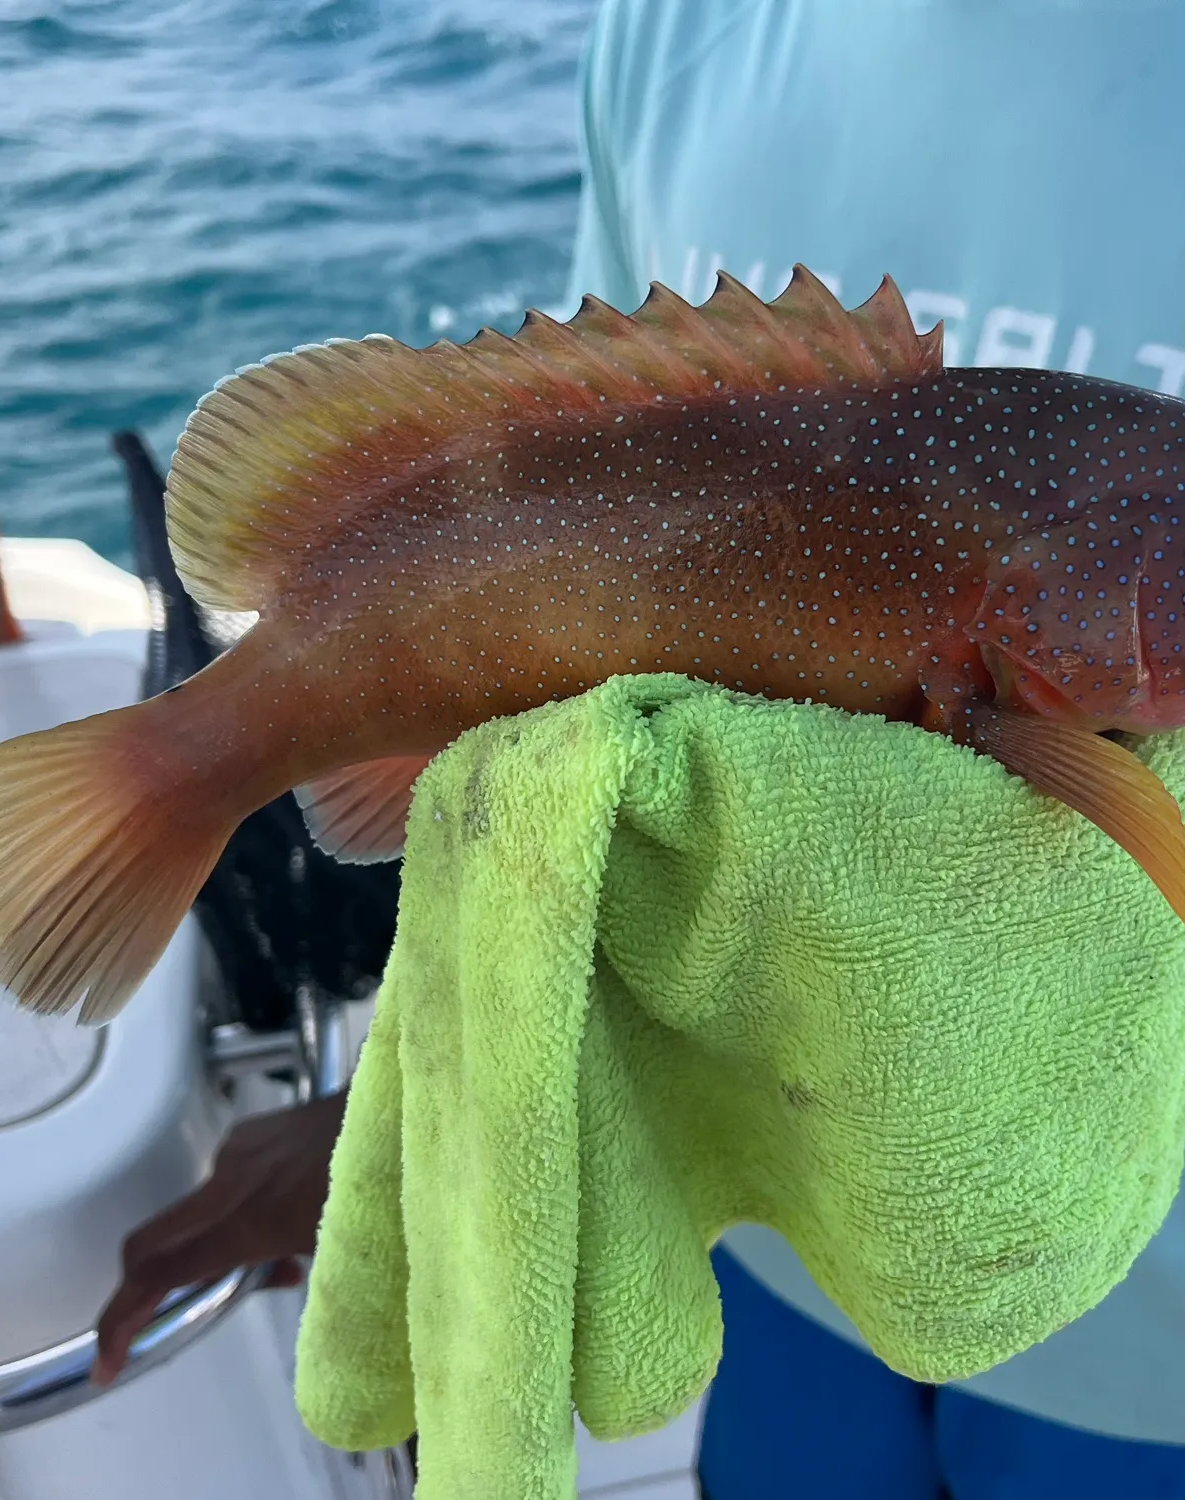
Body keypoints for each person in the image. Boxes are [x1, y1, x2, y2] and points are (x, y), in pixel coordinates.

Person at [95, 3, 1185, 1495]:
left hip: (1152, 1331)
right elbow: (562, 658)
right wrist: (394, 1114)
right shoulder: (676, 32)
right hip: (771, 1214)